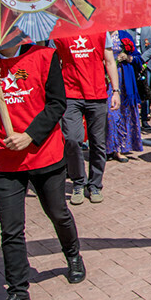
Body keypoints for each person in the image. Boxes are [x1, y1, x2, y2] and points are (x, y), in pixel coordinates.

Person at [0, 42, 85, 300]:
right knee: (10, 229)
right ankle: (18, 292)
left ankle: (73, 255)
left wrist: (30, 136)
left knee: (57, 212)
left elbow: (57, 103)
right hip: (5, 159)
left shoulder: (44, 56)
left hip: (44, 153)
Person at [55, 33, 120, 205]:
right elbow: (53, 63)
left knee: (98, 142)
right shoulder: (60, 32)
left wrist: (115, 91)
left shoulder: (100, 31)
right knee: (72, 139)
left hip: (96, 94)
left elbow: (110, 61)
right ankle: (78, 182)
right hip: (70, 95)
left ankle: (95, 184)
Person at [107, 30, 143, 161]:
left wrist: (128, 57)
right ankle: (107, 147)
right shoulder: (101, 34)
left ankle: (118, 148)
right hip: (106, 80)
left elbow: (139, 59)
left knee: (122, 112)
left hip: (123, 80)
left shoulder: (124, 35)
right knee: (109, 113)